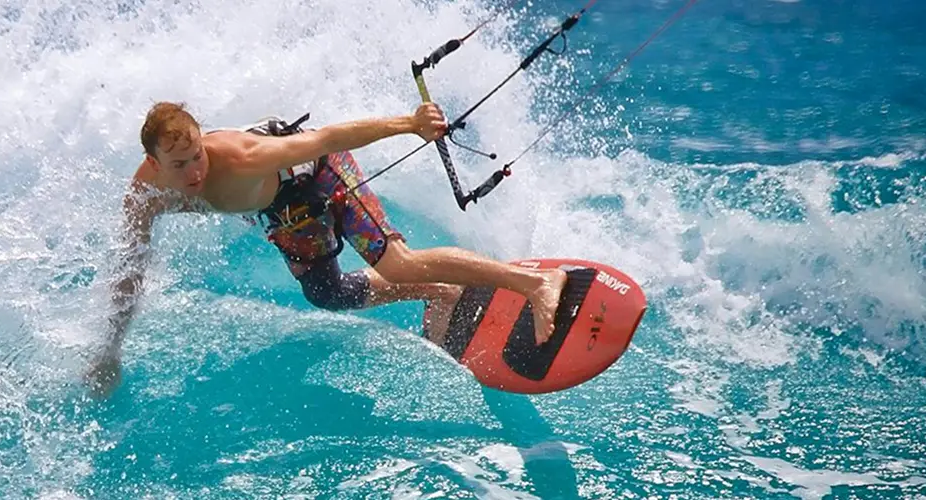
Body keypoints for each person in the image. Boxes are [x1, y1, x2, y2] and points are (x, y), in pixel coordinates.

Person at [86, 101, 567, 398]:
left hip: (319, 170)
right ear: (153, 162)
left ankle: (535, 283)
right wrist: (110, 351)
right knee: (327, 292)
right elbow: (130, 271)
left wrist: (410, 123)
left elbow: (327, 138)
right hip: (281, 206)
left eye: (197, 156)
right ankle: (441, 291)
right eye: (180, 164)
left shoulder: (243, 159)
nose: (195, 171)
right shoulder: (145, 196)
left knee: (395, 264)